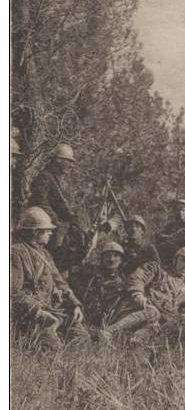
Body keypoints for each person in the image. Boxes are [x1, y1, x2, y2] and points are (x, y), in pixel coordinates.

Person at [11, 207, 89, 349]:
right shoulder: (16, 253)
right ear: (36, 232)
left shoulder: (46, 254)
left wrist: (75, 304)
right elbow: (13, 292)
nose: (51, 233)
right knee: (54, 350)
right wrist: (38, 311)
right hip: (33, 315)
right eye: (47, 230)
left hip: (53, 310)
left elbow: (60, 283)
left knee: (82, 340)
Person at [101, 246, 185, 344]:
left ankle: (131, 344)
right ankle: (109, 331)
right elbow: (137, 278)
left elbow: (177, 313)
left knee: (155, 327)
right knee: (153, 312)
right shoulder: (157, 270)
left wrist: (182, 316)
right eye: (184, 260)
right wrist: (138, 293)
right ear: (175, 260)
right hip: (135, 308)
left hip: (156, 320)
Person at [27, 143, 80, 271]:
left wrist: (72, 219)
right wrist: (56, 221)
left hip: (54, 223)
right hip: (44, 224)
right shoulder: (44, 177)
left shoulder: (56, 179)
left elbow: (61, 205)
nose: (71, 165)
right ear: (58, 160)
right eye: (68, 161)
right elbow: (39, 201)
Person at [78, 242, 126, 329]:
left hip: (112, 323)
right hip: (89, 320)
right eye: (107, 256)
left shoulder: (123, 282)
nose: (111, 259)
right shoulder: (92, 277)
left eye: (115, 256)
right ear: (102, 259)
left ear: (121, 260)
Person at [155, 199, 185, 267]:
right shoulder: (171, 224)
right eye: (178, 210)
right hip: (172, 251)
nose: (180, 212)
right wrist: (171, 236)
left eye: (183, 210)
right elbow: (159, 235)